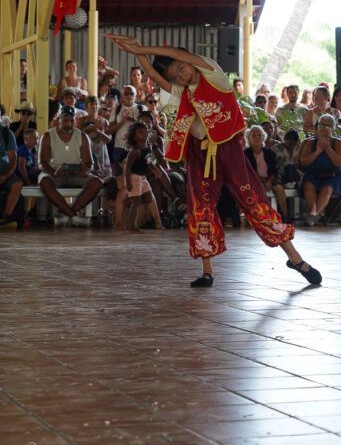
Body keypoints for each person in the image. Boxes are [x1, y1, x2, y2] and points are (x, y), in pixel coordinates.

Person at [105, 33, 321, 288]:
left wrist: (141, 47)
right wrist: (137, 52)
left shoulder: (212, 73)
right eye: (175, 76)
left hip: (227, 150)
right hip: (199, 154)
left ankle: (294, 258)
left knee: (254, 200)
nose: (181, 76)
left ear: (190, 62)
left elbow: (177, 55)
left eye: (182, 68)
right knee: (201, 207)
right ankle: (207, 271)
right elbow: (153, 75)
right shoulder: (182, 92)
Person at [37, 106, 104, 224]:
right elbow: (42, 163)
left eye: (71, 121)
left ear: (75, 120)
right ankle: (73, 216)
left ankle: (67, 214)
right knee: (45, 182)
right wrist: (54, 172)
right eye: (65, 120)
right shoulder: (48, 136)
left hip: (76, 174)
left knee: (97, 183)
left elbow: (89, 162)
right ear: (59, 120)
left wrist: (85, 170)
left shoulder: (82, 136)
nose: (68, 124)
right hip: (54, 173)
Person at [298, 114, 341, 226]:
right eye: (322, 124)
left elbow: (340, 163)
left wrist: (327, 148)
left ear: (333, 128)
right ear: (317, 126)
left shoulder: (338, 142)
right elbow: (304, 161)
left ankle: (315, 214)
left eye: (328, 125)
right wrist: (318, 151)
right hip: (314, 174)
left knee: (327, 188)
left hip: (334, 175)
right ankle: (313, 212)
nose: (325, 128)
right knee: (308, 186)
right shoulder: (311, 142)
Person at [123, 122, 165, 232]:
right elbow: (127, 168)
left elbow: (148, 161)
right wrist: (128, 182)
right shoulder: (135, 151)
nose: (145, 134)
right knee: (136, 202)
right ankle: (132, 227)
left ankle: (157, 222)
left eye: (146, 131)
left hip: (142, 177)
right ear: (134, 137)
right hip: (134, 177)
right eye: (141, 133)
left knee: (150, 197)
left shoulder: (148, 147)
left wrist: (154, 168)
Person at [0, 118, 21, 227]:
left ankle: (6, 216)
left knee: (17, 184)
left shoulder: (6, 134)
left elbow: (13, 159)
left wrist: (5, 175)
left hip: (3, 171)